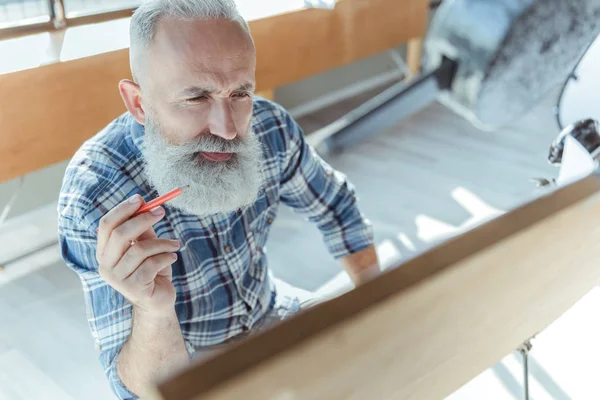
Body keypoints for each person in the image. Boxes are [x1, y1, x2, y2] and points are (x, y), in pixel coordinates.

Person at [57, 0, 380, 398]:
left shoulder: (269, 127)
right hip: (187, 365)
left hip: (271, 310)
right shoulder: (96, 194)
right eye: (196, 98)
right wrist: (153, 307)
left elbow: (337, 206)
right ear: (139, 103)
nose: (228, 129)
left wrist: (376, 306)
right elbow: (139, 391)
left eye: (240, 92)